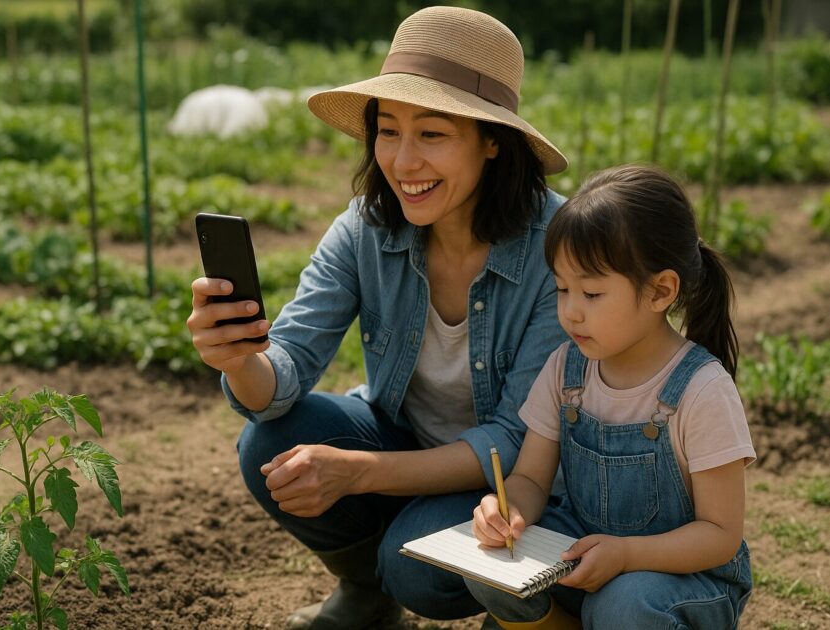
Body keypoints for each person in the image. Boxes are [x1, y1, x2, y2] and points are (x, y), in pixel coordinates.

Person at [188, 6, 569, 628]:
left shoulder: (557, 245)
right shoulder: (365, 227)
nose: (402, 162)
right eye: (387, 131)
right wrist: (240, 358)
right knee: (272, 442)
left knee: (415, 566)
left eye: (433, 134)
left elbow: (515, 439)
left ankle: (494, 590)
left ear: (493, 141)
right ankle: (365, 597)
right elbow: (282, 375)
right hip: (407, 435)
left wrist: (361, 474)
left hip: (517, 478)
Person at [466, 164, 755, 629]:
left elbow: (720, 536)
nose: (571, 312)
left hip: (679, 585)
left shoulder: (701, 390)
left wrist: (626, 555)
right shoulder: (567, 369)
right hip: (588, 560)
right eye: (562, 289)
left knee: (622, 603)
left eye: (592, 293)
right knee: (488, 568)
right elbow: (532, 481)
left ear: (661, 290)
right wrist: (506, 511)